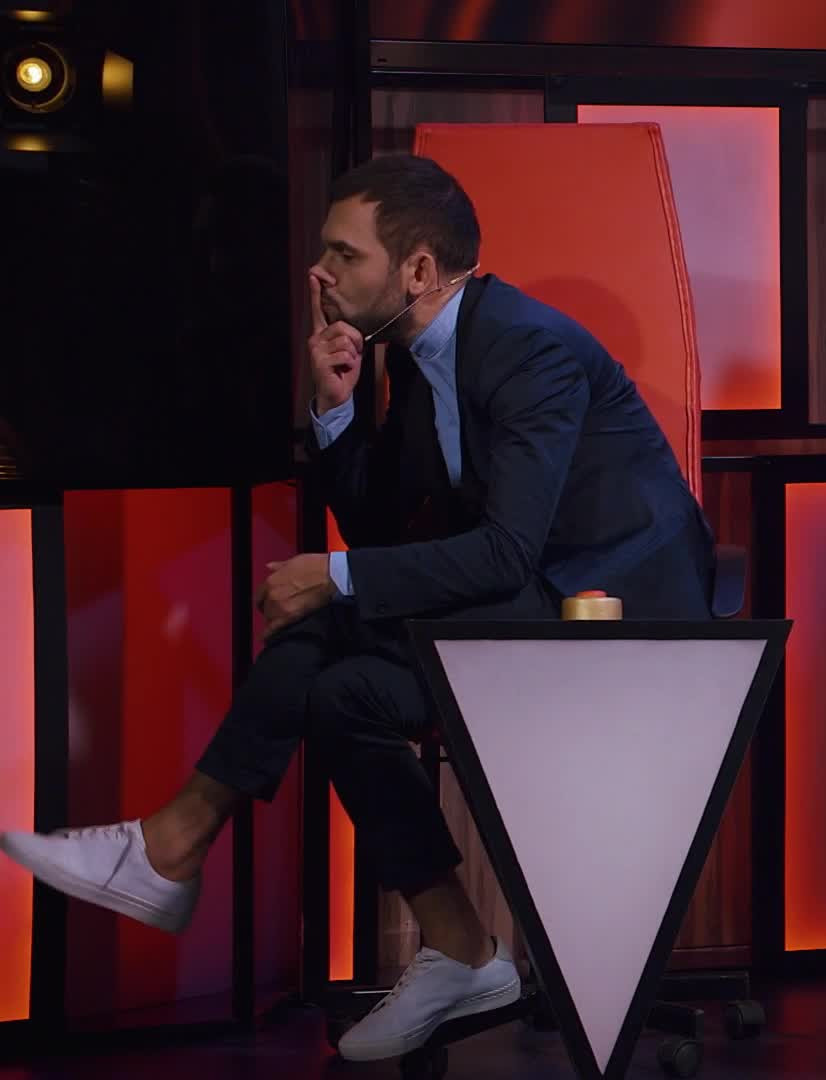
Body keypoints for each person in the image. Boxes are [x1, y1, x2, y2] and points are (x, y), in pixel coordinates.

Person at [0, 154, 715, 1061]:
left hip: (615, 612)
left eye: (344, 254)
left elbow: (503, 549)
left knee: (325, 613)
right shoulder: (415, 356)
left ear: (416, 270)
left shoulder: (525, 347)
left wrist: (337, 579)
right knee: (343, 697)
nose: (320, 272)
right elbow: (385, 529)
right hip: (527, 599)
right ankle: (461, 949)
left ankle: (171, 843)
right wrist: (334, 409)